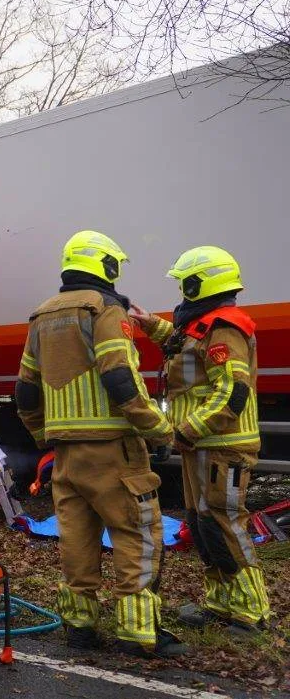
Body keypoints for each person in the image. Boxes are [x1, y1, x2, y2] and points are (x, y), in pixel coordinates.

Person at [15, 230, 183, 658]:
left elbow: (26, 391)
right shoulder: (104, 310)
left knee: (77, 540)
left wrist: (42, 436)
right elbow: (119, 377)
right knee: (137, 534)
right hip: (114, 452)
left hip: (65, 455)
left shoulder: (41, 317)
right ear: (107, 267)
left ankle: (80, 628)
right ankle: (139, 632)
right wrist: (158, 430)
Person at [133, 246, 270, 636]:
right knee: (202, 522)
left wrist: (184, 430)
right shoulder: (203, 324)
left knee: (226, 523)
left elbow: (232, 394)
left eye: (183, 282)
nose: (180, 289)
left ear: (199, 283)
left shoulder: (226, 328)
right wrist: (152, 325)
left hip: (222, 445)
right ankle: (221, 603)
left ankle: (250, 610)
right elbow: (187, 350)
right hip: (201, 446)